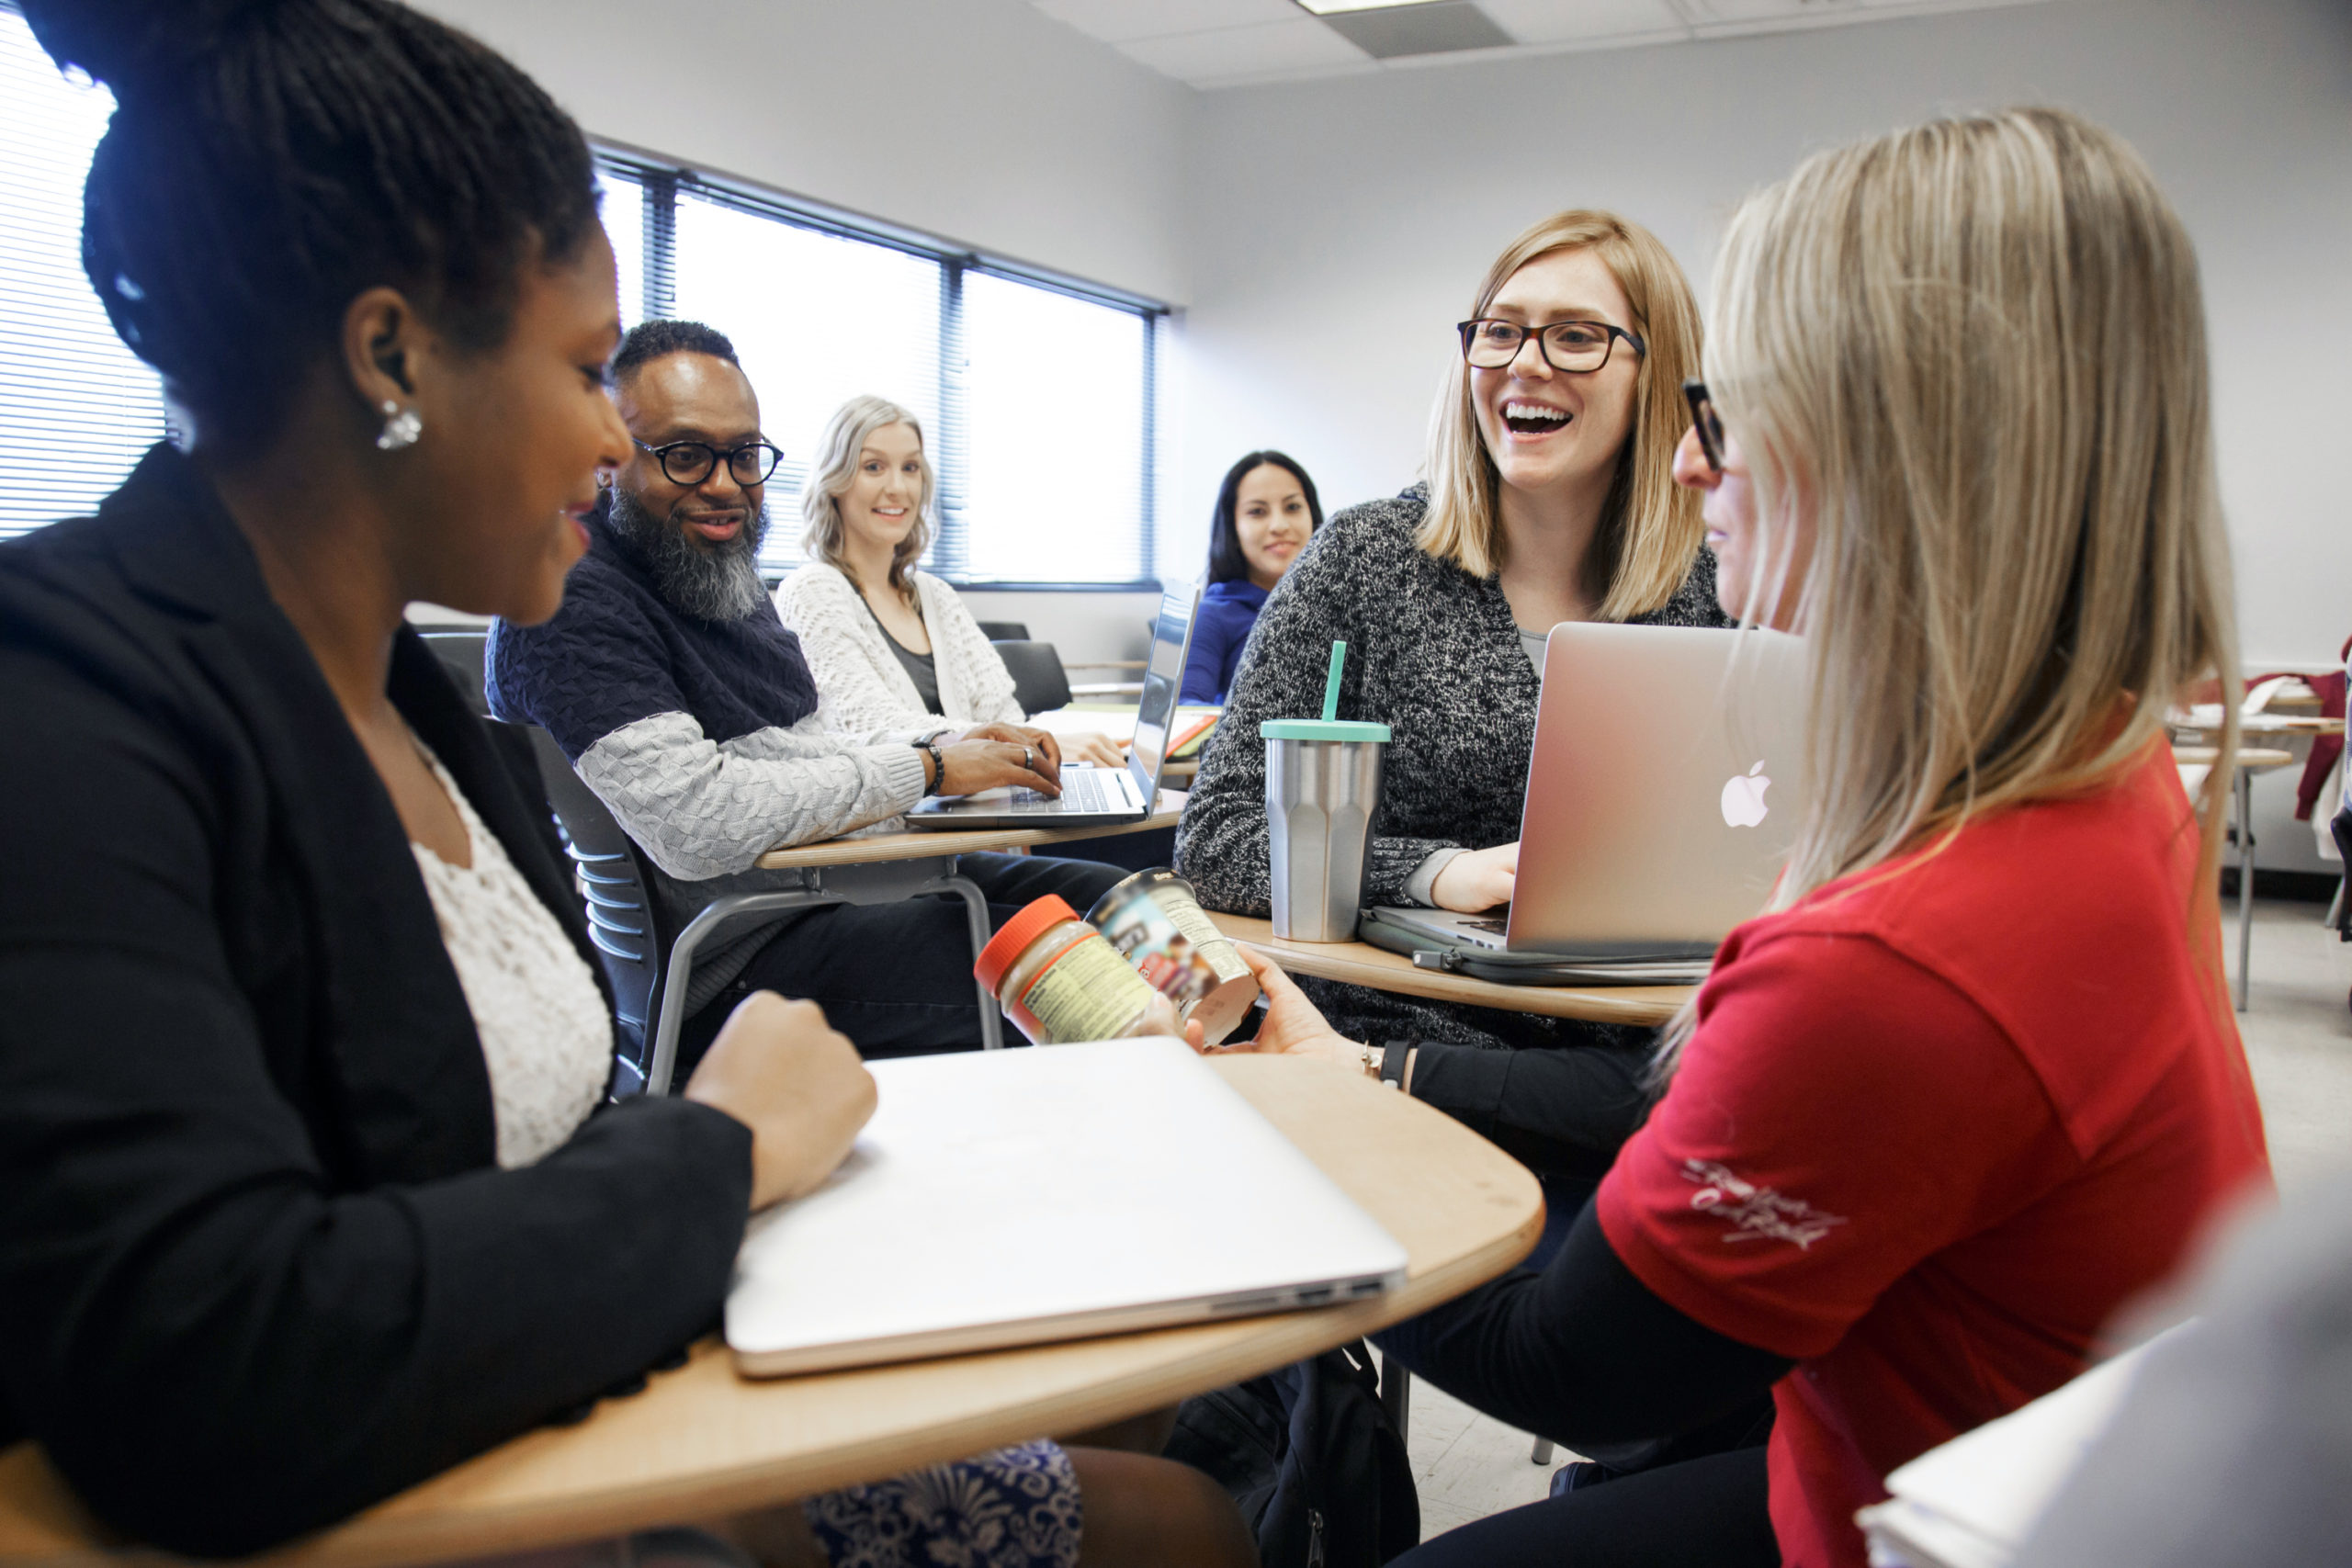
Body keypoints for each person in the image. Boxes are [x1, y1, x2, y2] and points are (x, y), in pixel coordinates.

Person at [0, 4, 1251, 1565]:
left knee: (1136, 1402)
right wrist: (718, 1150)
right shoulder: (67, 700)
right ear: (391, 355)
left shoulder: (397, 691)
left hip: (582, 1370)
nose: (616, 441)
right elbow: (207, 1356)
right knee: (1178, 1523)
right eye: (591, 371)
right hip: (457, 1484)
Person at [1206, 108, 2271, 1568]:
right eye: (1499, 330)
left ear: (1901, 455)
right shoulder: (2104, 769)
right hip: (2045, 1468)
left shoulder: (1894, 956)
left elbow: (1566, 1366)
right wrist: (1418, 918)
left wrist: (1312, 1112)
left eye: (1736, 411)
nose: (1706, 467)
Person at [1175, 209, 1727, 1179]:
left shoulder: (1713, 584)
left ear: (1654, 367)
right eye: (1500, 330)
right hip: (1410, 1044)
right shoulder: (1364, 559)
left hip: (1651, 1047)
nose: (1526, 362)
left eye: (1576, 336)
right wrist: (1431, 872)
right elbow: (1216, 835)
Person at [489, 324, 1133, 1074]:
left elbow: (812, 749)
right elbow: (697, 820)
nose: (725, 483)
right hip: (733, 961)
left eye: (743, 454)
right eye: (686, 455)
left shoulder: (715, 570)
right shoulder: (572, 597)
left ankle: (1256, 1081)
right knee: (1101, 979)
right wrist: (923, 773)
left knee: (1120, 906)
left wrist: (935, 752)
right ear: (607, 461)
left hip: (838, 894)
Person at [775, 396, 1126, 770]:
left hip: (981, 803)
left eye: (910, 467)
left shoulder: (935, 595)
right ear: (835, 481)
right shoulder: (811, 591)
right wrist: (1018, 745)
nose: (897, 487)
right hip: (892, 820)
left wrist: (1033, 745)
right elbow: (870, 727)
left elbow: (1006, 714)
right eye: (873, 466)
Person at [1180, 450, 1322, 705]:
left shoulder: (1339, 609)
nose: (1279, 525)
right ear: (1232, 527)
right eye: (1257, 511)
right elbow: (1188, 713)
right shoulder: (1212, 616)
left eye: (1293, 507)